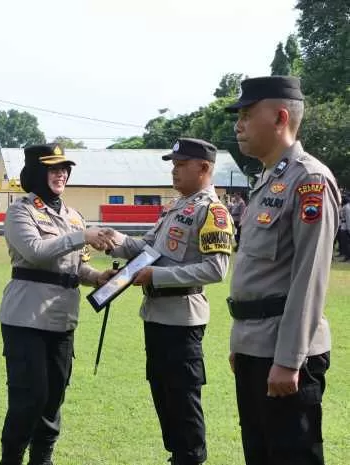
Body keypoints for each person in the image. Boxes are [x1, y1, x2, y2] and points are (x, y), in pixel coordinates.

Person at [225, 76, 340, 465]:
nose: (237, 125)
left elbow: (310, 277)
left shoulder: (309, 180)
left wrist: (289, 359)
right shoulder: (267, 181)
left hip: (286, 354)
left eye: (245, 114)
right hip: (255, 347)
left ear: (280, 117)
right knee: (260, 455)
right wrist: (240, 343)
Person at [107, 138, 233, 465]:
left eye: (180, 165)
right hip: (157, 316)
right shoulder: (177, 207)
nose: (173, 171)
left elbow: (216, 269)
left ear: (203, 168)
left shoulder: (212, 210)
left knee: (183, 400)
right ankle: (178, 456)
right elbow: (148, 247)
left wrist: (156, 277)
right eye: (173, 165)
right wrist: (114, 241)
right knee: (163, 395)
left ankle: (190, 458)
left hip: (182, 320)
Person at [0, 143, 118, 465]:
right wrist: (83, 237)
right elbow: (35, 251)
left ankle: (43, 460)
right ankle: (10, 459)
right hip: (26, 319)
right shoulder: (21, 211)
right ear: (37, 172)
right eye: (53, 168)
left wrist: (98, 277)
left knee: (53, 399)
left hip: (62, 320)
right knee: (29, 398)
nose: (61, 174)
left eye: (65, 169)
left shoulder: (75, 217)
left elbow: (76, 266)